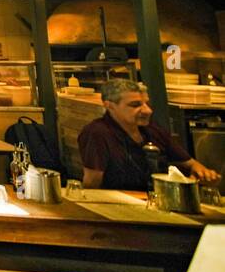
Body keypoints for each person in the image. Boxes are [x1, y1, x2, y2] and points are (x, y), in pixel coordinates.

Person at [78, 79, 220, 190]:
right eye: (135, 105)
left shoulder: (153, 130)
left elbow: (191, 164)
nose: (147, 111)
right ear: (109, 106)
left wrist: (204, 174)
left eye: (146, 104)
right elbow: (92, 184)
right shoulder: (98, 133)